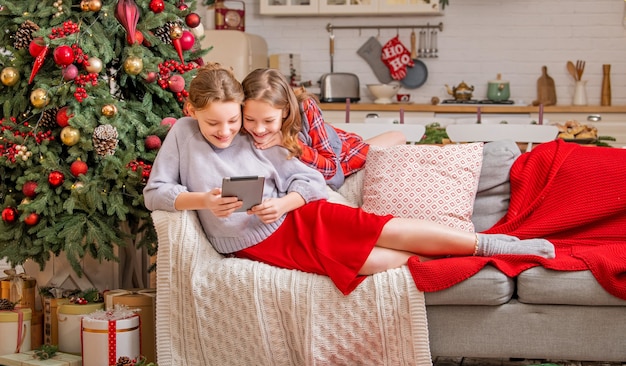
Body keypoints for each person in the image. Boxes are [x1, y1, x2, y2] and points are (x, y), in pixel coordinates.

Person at [143, 62, 555, 296]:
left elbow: (310, 183)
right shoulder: (182, 134)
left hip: (295, 219)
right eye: (216, 122)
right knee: (376, 262)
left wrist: (283, 203)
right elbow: (156, 193)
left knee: (385, 231)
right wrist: (202, 201)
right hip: (257, 245)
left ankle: (497, 245)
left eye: (235, 119)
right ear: (192, 111)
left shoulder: (255, 140)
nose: (228, 130)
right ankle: (475, 259)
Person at [242, 68, 405, 190]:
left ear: (285, 111)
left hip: (340, 151)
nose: (259, 129)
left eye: (269, 120)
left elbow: (333, 172)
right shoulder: (237, 122)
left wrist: (290, 143)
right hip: (328, 140)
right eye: (249, 119)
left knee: (398, 137)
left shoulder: (305, 108)